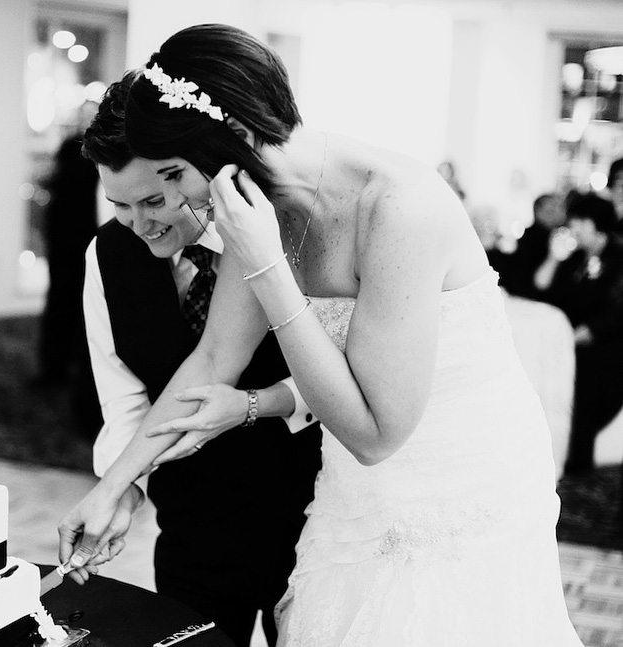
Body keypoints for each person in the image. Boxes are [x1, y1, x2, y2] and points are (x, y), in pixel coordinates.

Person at [57, 24, 582, 646]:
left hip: (457, 477)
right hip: (350, 489)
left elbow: (375, 434)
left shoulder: (400, 206)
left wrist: (265, 265)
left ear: (242, 137)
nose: (169, 205)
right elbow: (213, 360)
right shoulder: (257, 203)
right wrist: (112, 485)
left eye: (174, 175)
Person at [71, 71, 321, 647]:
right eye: (119, 205)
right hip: (192, 526)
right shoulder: (106, 256)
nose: (140, 224)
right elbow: (126, 399)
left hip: (306, 512)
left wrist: (254, 405)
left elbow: (341, 367)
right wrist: (122, 492)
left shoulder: (273, 232)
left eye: (154, 200)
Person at [533, 192, 623, 477]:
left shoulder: (618, 258)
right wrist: (553, 258)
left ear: (595, 225)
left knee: (586, 403)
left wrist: (583, 334)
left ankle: (578, 470)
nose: (572, 229)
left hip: (604, 351)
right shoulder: (575, 260)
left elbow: (616, 312)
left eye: (579, 223)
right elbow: (542, 288)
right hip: (573, 348)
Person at [33, 101, 101, 435]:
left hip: (90, 238)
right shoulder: (66, 147)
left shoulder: (106, 149)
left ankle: (79, 372)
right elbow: (57, 184)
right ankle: (52, 368)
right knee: (58, 302)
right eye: (82, 114)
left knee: (86, 308)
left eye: (91, 113)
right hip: (62, 238)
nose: (85, 119)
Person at [500, 192, 567, 299]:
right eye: (551, 211)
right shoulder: (533, 238)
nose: (557, 214)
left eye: (560, 208)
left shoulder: (558, 235)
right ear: (537, 212)